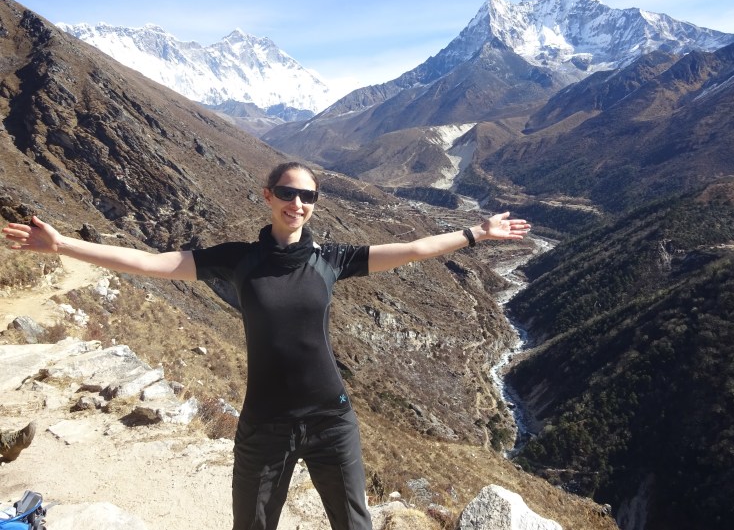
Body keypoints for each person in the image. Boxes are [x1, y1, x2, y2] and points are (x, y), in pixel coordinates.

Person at [2, 161, 530, 530]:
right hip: (264, 425)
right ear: (268, 196)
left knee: (354, 526)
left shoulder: (332, 260)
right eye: (287, 193)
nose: (297, 203)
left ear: (314, 205)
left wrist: (477, 233)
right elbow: (150, 263)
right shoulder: (237, 260)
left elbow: (413, 248)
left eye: (307, 197)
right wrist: (63, 244)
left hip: (331, 420)